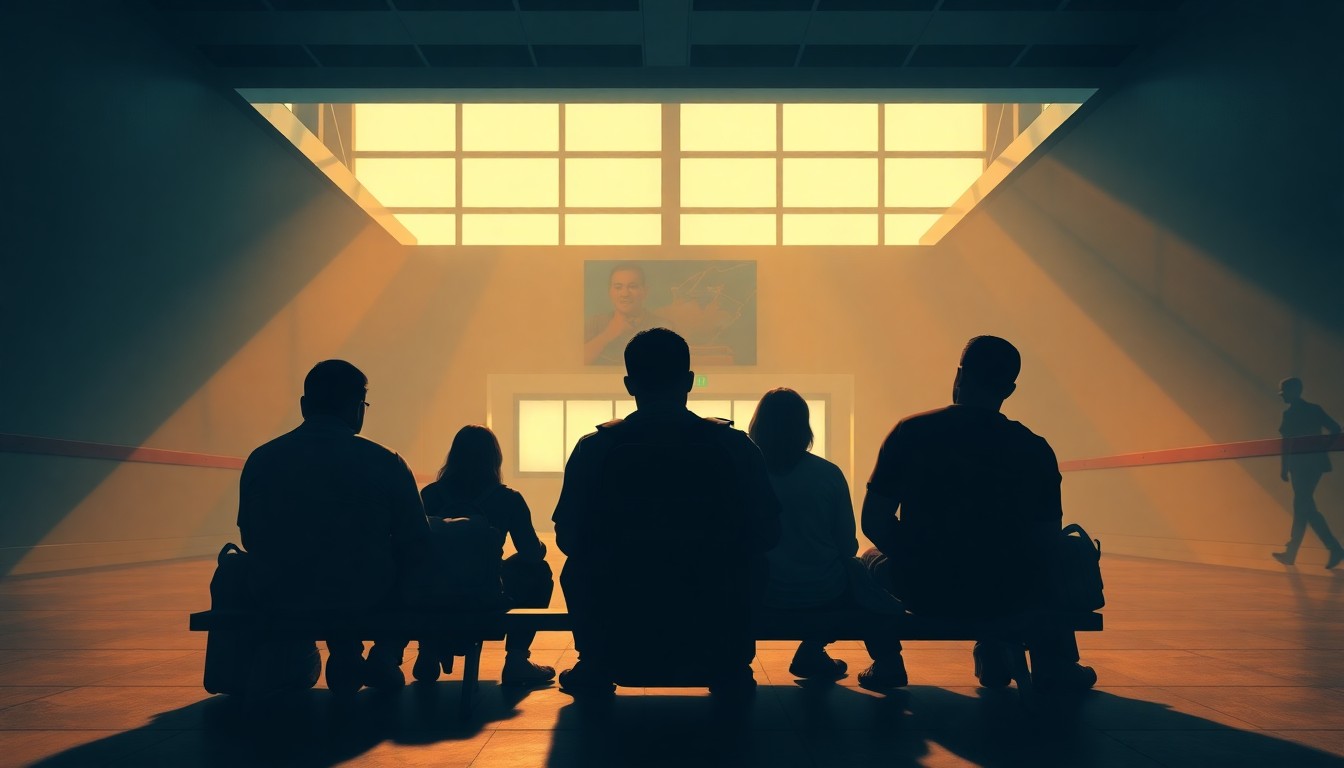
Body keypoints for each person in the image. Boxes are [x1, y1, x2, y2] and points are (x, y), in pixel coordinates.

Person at [859, 336, 1096, 692]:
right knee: (1056, 556)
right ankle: (1053, 662)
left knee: (867, 561)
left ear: (960, 375)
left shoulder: (912, 432)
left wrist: (917, 557)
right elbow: (1046, 540)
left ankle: (887, 662)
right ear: (1010, 388)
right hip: (1009, 593)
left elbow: (874, 521)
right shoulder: (1034, 448)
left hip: (924, 588)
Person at [553, 328, 781, 695]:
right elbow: (768, 533)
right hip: (713, 622)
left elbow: (569, 538)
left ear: (629, 384)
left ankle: (594, 665)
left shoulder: (595, 448)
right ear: (689, 381)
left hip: (622, 622)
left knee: (576, 566)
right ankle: (733, 668)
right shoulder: (734, 447)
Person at [238, 360, 430, 695]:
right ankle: (384, 654)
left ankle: (345, 654)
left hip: (279, 593)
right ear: (358, 408)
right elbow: (415, 540)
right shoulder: (386, 461)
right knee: (403, 567)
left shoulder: (262, 459)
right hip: (363, 594)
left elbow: (251, 537)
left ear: (303, 406)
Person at [749, 388, 902, 682]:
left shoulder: (746, 475)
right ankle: (885, 661)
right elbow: (847, 544)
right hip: (823, 592)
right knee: (859, 574)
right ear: (804, 428)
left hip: (762, 593)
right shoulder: (827, 474)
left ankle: (809, 655)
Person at [415, 425, 557, 686]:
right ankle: (516, 660)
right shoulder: (508, 499)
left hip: (433, 594)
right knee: (539, 571)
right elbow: (531, 554)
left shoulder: (430, 495)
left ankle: (428, 650)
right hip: (485, 594)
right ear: (495, 458)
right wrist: (541, 549)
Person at [1271, 377, 1344, 568]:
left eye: (1284, 393)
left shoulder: (1289, 415)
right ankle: (1296, 552)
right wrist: (1322, 449)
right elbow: (1335, 429)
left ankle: (1328, 548)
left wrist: (1284, 467)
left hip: (1298, 465)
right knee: (1303, 506)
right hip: (1314, 465)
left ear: (1293, 392)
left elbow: (1285, 443)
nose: (1282, 397)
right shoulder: (1314, 409)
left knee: (1303, 505)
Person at [584, 263, 662, 365]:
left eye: (632, 287)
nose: (625, 294)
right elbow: (573, 364)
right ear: (610, 291)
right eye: (618, 287)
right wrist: (609, 334)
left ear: (645, 291)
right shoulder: (594, 324)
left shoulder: (663, 326)